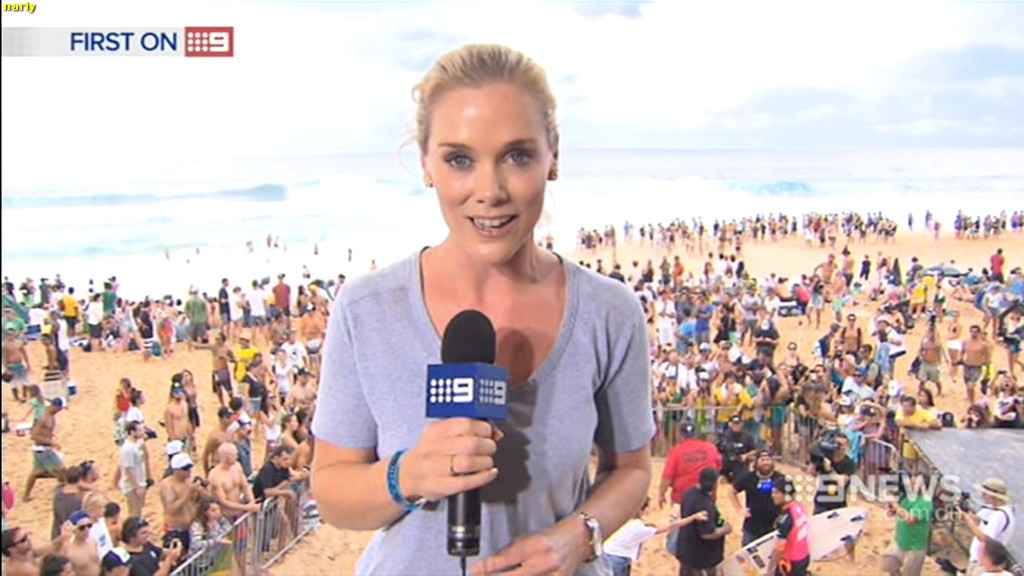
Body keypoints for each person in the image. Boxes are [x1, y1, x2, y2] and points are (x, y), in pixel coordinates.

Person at [309, 44, 654, 576]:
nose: (489, 191)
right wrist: (407, 475)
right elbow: (332, 491)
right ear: (426, 165)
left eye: (517, 156)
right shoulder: (367, 309)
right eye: (460, 160)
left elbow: (631, 469)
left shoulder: (610, 313)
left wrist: (580, 535)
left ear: (553, 156)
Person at [603, 498, 706, 576]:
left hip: (610, 555)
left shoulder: (625, 520)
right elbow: (670, 527)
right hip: (617, 560)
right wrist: (693, 517)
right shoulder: (638, 528)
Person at [675, 468, 731, 576]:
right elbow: (707, 534)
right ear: (715, 484)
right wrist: (725, 529)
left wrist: (721, 522)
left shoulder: (689, 493)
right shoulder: (705, 504)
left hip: (686, 551)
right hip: (702, 559)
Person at [659, 421, 722, 511]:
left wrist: (661, 494)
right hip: (707, 498)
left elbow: (667, 477)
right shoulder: (711, 448)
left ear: (680, 435)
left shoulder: (676, 452)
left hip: (682, 499)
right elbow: (717, 469)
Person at [729, 451, 786, 545]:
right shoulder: (747, 478)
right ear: (756, 462)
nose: (766, 463)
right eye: (762, 460)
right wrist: (739, 509)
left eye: (768, 460)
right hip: (752, 527)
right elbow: (731, 491)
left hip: (774, 526)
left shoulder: (780, 478)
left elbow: (790, 497)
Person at [881, 472, 933, 576]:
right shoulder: (908, 497)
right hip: (900, 542)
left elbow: (910, 519)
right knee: (888, 564)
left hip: (915, 548)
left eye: (914, 483)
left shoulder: (925, 502)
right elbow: (898, 511)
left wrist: (893, 503)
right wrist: (891, 506)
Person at [963, 478, 1017, 576]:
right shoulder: (990, 508)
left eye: (985, 493)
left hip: (985, 563)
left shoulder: (1000, 515)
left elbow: (985, 539)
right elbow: (978, 520)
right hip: (978, 559)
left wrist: (966, 518)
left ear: (994, 496)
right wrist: (966, 512)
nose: (982, 496)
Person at [766, 478, 811, 576]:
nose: (773, 495)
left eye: (776, 493)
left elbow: (779, 546)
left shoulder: (786, 517)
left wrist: (770, 570)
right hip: (804, 556)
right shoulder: (799, 507)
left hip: (790, 561)